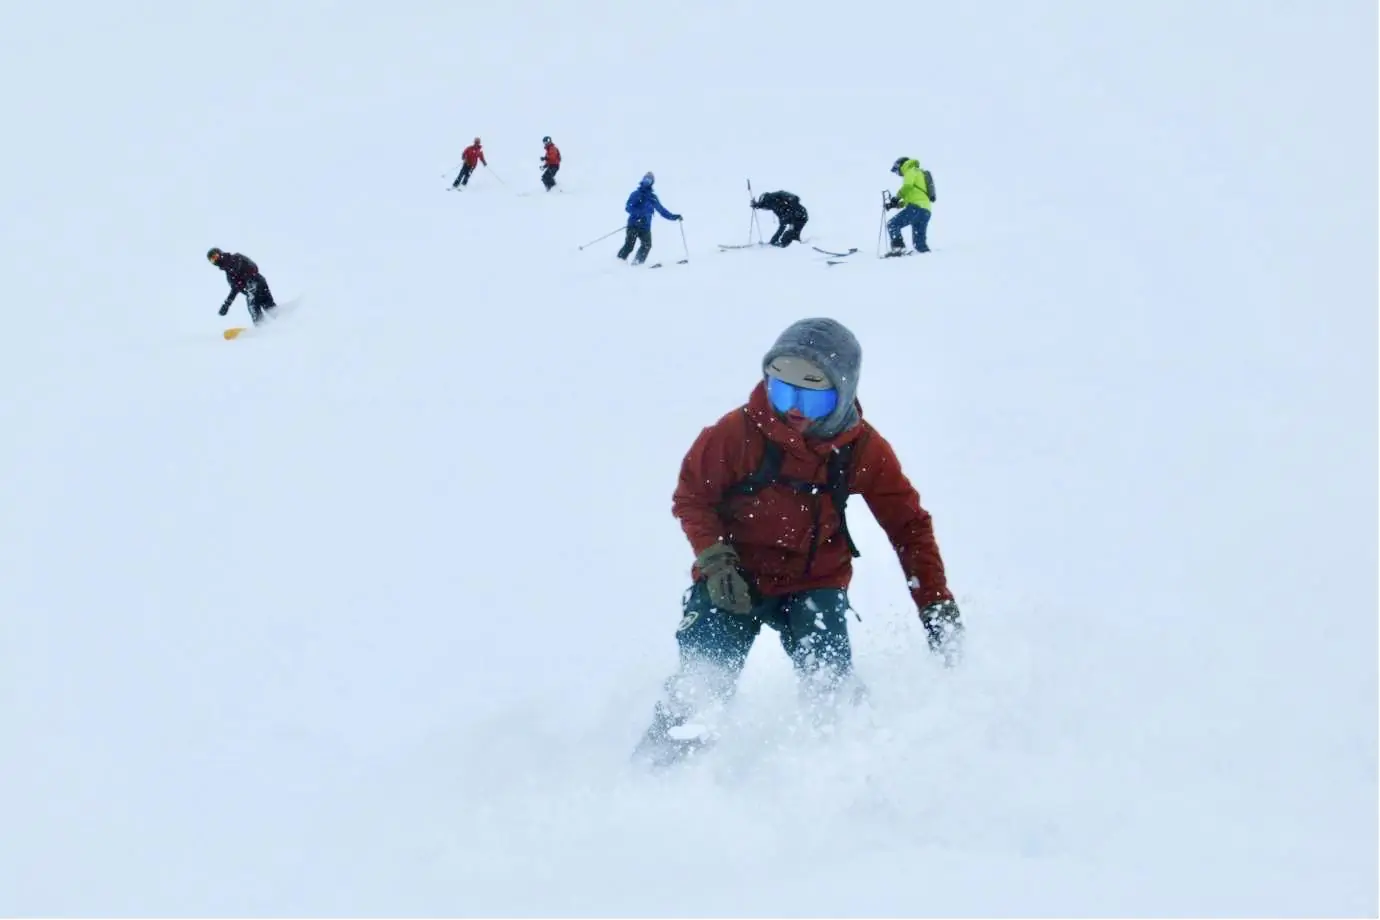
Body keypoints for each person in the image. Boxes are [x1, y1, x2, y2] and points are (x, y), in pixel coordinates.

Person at [633, 317, 964, 767]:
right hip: (734, 578)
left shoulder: (861, 448)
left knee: (832, 688)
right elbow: (693, 495)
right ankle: (656, 775)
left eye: (811, 394)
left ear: (842, 393)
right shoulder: (736, 433)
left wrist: (934, 601)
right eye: (781, 389)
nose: (793, 407)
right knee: (700, 687)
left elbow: (908, 525)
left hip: (815, 582)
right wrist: (715, 560)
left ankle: (844, 776)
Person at [617, 172, 681, 265]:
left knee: (647, 245)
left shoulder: (652, 198)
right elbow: (628, 207)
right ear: (642, 180)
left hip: (645, 227)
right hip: (634, 225)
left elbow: (662, 211)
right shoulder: (636, 194)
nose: (647, 182)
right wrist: (639, 214)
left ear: (652, 183)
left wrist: (674, 217)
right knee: (629, 246)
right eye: (645, 179)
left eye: (649, 180)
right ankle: (618, 262)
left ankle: (637, 263)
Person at [208, 247, 276, 324]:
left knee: (253, 306)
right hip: (252, 288)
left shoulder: (236, 257)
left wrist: (246, 279)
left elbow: (254, 267)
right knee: (268, 307)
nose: (216, 259)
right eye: (212, 260)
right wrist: (226, 305)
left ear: (220, 253)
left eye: (215, 256)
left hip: (256, 282)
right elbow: (235, 289)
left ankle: (261, 326)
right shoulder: (228, 274)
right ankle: (281, 320)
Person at [884, 156, 934, 254]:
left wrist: (896, 198)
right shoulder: (919, 173)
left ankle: (899, 249)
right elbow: (912, 197)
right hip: (925, 211)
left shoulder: (910, 170)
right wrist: (895, 205)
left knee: (892, 225)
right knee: (919, 244)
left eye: (897, 171)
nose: (898, 174)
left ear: (900, 165)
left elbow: (907, 186)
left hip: (916, 208)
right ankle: (927, 256)